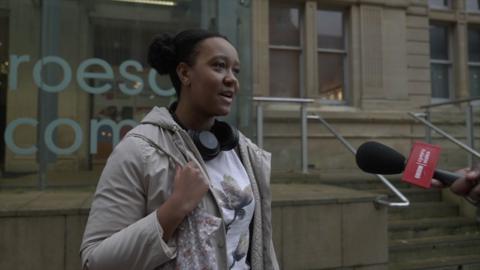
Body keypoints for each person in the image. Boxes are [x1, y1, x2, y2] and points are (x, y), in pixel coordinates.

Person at [80, 29, 279, 270]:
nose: (231, 80)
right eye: (218, 66)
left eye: (235, 71)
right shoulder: (138, 150)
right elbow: (96, 261)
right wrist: (175, 208)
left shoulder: (244, 152)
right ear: (185, 73)